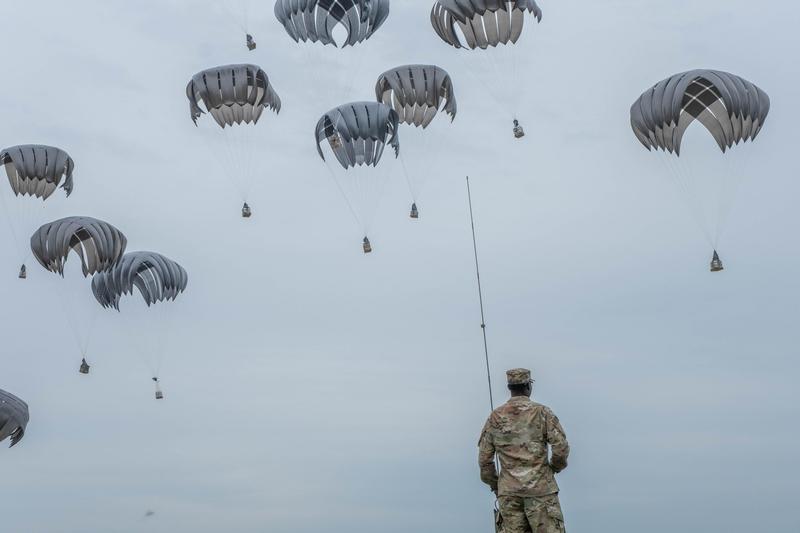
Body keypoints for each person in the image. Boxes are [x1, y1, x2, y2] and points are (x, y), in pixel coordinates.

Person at [479, 368, 570, 533]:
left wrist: (496, 485)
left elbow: (485, 461)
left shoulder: (495, 417)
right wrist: (553, 469)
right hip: (541, 492)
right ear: (528, 386)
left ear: (509, 388)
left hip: (509, 495)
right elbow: (561, 448)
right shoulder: (542, 413)